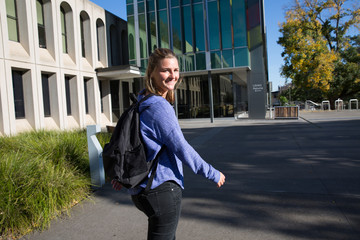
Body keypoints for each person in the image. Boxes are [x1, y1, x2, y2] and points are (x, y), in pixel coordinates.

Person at [112, 48, 225, 240]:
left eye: (176, 70)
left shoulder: (141, 100)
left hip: (141, 189)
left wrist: (120, 174)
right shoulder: (159, 106)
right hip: (161, 189)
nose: (173, 75)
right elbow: (181, 147)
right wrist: (212, 173)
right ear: (152, 73)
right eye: (166, 70)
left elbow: (133, 140)